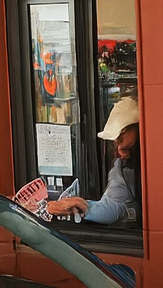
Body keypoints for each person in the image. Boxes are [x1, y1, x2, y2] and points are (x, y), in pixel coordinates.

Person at [45, 96, 140, 224]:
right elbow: (113, 207)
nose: (120, 152)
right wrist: (84, 206)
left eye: (122, 140)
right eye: (116, 143)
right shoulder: (122, 168)